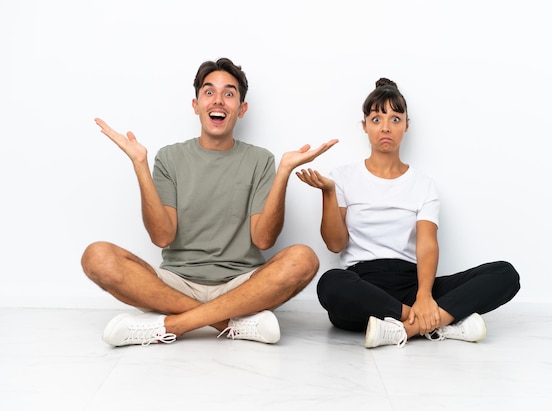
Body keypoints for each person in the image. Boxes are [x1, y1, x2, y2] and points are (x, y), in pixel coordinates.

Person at [81, 57, 337, 347]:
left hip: (242, 285)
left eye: (229, 94)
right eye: (209, 92)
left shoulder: (260, 160)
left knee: (304, 259)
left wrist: (283, 173)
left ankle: (172, 324)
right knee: (96, 256)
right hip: (177, 283)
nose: (218, 101)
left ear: (241, 109)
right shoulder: (170, 157)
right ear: (196, 105)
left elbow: (264, 240)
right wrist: (140, 164)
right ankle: (229, 323)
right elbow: (162, 236)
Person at [296, 78, 520, 348]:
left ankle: (405, 329)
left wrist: (424, 295)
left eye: (395, 118)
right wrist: (329, 193)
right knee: (330, 284)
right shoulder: (342, 177)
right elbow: (335, 244)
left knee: (504, 274)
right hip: (364, 285)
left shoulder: (423, 185)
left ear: (406, 125)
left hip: (412, 283)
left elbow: (427, 245)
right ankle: (433, 323)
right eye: (377, 119)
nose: (386, 127)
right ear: (364, 126)